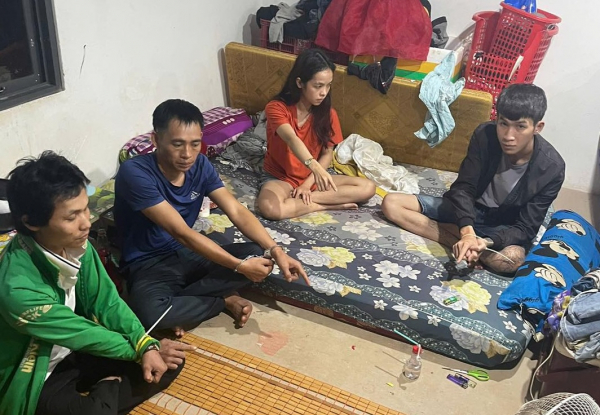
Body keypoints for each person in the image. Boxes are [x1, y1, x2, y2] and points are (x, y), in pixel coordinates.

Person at [0, 152, 191, 415]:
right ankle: (109, 386)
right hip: (32, 371)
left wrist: (144, 343)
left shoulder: (78, 246)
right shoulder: (16, 286)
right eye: (71, 216)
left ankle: (103, 396)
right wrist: (141, 351)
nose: (86, 222)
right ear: (31, 222)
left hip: (75, 352)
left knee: (169, 362)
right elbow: (82, 333)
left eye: (85, 209)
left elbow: (106, 301)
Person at [115, 99, 309, 337]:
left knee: (260, 256)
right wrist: (238, 266)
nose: (187, 154)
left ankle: (186, 302)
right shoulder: (135, 173)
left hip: (188, 252)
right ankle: (223, 300)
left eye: (195, 144)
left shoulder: (201, 165)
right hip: (148, 262)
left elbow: (236, 210)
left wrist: (276, 250)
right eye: (177, 144)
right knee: (152, 316)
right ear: (156, 140)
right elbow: (181, 232)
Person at [382, 84, 565, 274]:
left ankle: (468, 243)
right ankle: (460, 242)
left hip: (500, 225)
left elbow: (525, 228)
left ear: (537, 127)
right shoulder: (485, 135)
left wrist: (487, 242)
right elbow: (464, 188)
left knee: (512, 260)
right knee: (391, 203)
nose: (508, 136)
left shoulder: (552, 169)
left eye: (520, 126)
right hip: (466, 209)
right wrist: (467, 231)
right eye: (503, 124)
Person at [256, 48, 376, 220]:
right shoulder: (276, 108)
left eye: (328, 85)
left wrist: (307, 184)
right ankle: (326, 204)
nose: (324, 92)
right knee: (270, 209)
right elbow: (291, 138)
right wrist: (315, 167)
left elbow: (327, 153)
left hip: (312, 178)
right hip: (281, 177)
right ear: (300, 83)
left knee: (368, 188)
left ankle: (305, 199)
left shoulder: (329, 114)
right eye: (318, 86)